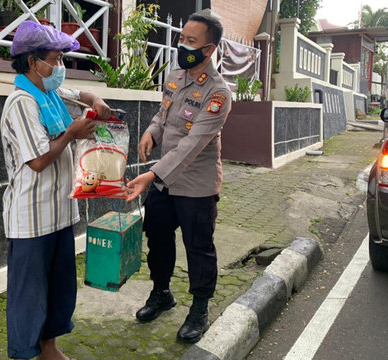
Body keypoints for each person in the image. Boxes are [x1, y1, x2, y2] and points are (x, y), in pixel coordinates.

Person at [1, 21, 111, 360]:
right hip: (31, 218)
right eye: (56, 59)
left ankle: (49, 348)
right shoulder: (22, 102)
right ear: (34, 63)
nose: (60, 67)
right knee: (29, 294)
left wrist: (97, 99)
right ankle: (24, 353)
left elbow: (84, 95)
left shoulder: (51, 94)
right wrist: (72, 134)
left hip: (61, 212)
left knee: (60, 289)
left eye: (63, 59)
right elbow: (37, 161)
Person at [126, 13, 232, 344]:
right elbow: (164, 114)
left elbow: (192, 143)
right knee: (156, 235)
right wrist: (151, 132)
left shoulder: (219, 94)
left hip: (196, 185)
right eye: (181, 38)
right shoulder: (175, 76)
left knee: (198, 246)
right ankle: (161, 293)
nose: (182, 45)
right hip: (165, 181)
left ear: (209, 49)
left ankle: (199, 310)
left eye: (191, 41)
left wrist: (151, 174)